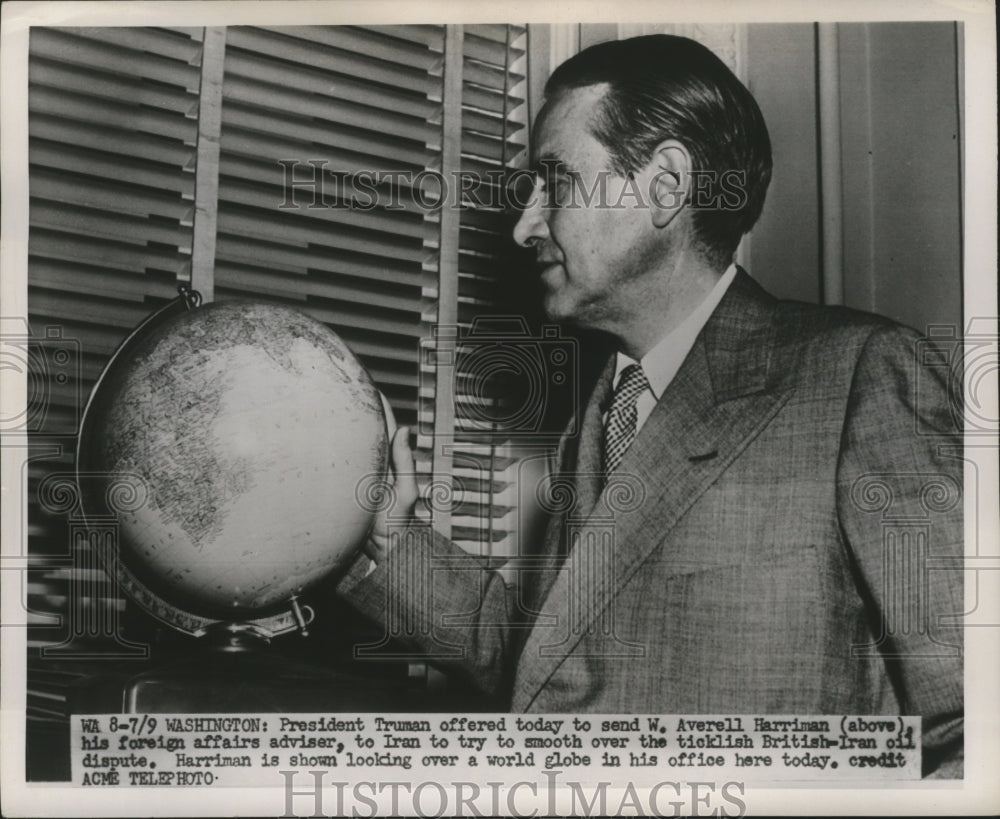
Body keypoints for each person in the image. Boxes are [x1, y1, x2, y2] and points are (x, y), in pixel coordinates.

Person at [336, 35, 963, 777]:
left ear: (666, 185)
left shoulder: (860, 375)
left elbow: (974, 721)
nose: (524, 225)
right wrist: (388, 540)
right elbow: (552, 666)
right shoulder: (599, 418)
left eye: (555, 183)